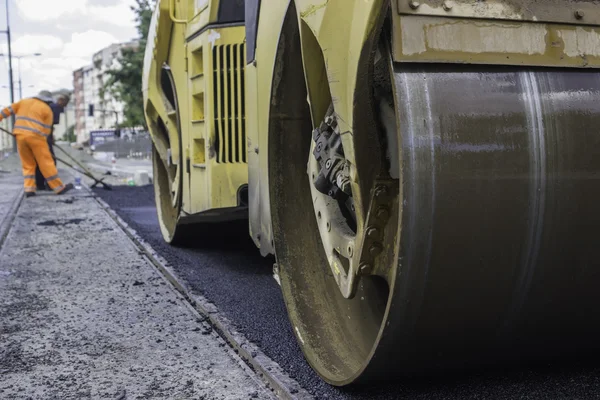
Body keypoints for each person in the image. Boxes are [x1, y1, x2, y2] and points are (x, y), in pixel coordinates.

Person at [0, 90, 73, 197]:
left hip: (20, 137)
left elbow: (6, 111)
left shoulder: (23, 102)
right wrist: (43, 142)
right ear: (47, 101)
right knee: (46, 162)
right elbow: (47, 130)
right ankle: (58, 187)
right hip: (36, 137)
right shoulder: (47, 109)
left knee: (28, 164)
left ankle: (29, 189)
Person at [35, 93, 70, 190]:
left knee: (40, 160)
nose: (65, 106)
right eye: (65, 103)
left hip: (37, 136)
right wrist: (49, 138)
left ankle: (40, 185)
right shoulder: (56, 107)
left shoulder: (50, 106)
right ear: (61, 100)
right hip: (44, 137)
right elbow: (50, 124)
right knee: (51, 161)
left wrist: (51, 137)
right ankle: (51, 184)